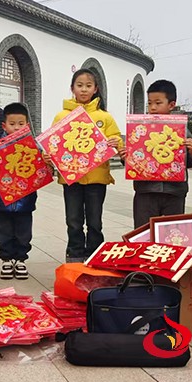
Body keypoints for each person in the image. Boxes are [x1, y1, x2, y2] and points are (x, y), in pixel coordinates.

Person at [46, 68, 123, 263]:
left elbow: (116, 139)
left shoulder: (104, 117)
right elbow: (53, 143)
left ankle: (95, 254)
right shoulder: (62, 116)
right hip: (71, 179)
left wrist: (116, 142)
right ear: (72, 88)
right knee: (73, 220)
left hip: (97, 178)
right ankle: (75, 253)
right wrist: (49, 155)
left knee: (95, 221)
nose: (84, 89)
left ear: (95, 89)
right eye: (79, 85)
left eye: (88, 86)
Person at [0, 103, 37, 279]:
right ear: (4, 125)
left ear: (27, 125)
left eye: (21, 124)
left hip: (25, 200)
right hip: (0, 199)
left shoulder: (33, 147)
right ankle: (6, 259)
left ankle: (20, 259)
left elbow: (41, 169)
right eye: (12, 124)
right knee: (1, 229)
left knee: (23, 230)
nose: (16, 127)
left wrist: (47, 161)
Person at [132, 80, 192, 228]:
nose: (152, 108)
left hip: (174, 192)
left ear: (171, 104)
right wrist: (126, 156)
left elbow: (191, 162)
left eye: (158, 103)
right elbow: (134, 159)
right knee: (143, 231)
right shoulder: (140, 129)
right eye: (149, 103)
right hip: (146, 190)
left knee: (172, 233)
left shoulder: (181, 129)